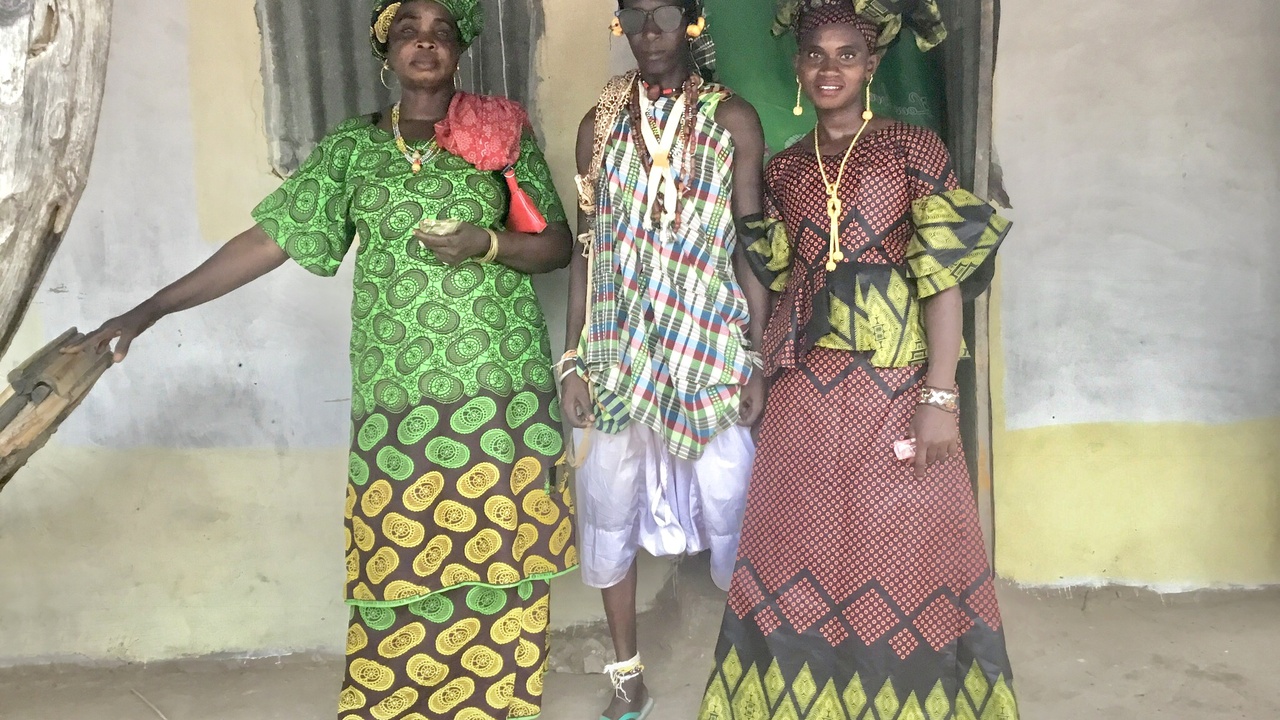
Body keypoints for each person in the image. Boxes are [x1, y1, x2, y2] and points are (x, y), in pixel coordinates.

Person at [73, 2, 577, 718]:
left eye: (440, 31)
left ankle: (497, 705)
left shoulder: (500, 133)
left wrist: (485, 244)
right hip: (396, 393)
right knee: (396, 555)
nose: (424, 44)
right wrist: (150, 309)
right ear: (386, 53)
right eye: (408, 32)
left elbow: (556, 245)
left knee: (499, 551)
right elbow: (268, 239)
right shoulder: (351, 150)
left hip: (499, 387)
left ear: (463, 46)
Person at [697, 1, 1019, 718]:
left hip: (896, 385)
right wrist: (755, 366)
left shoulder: (913, 149)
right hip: (804, 388)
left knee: (902, 545)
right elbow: (773, 277)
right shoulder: (784, 169)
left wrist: (940, 397)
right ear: (798, 65)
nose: (830, 67)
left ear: (872, 65)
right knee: (796, 546)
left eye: (847, 54)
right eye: (816, 54)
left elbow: (943, 278)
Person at [561, 0, 771, 718]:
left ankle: (748, 668)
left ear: (692, 23)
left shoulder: (731, 119)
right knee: (608, 503)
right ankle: (627, 672)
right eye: (635, 14)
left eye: (664, 13)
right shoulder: (599, 124)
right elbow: (588, 254)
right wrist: (573, 361)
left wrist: (755, 359)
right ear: (620, 23)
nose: (649, 29)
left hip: (707, 341)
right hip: (618, 348)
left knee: (734, 497)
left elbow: (750, 244)